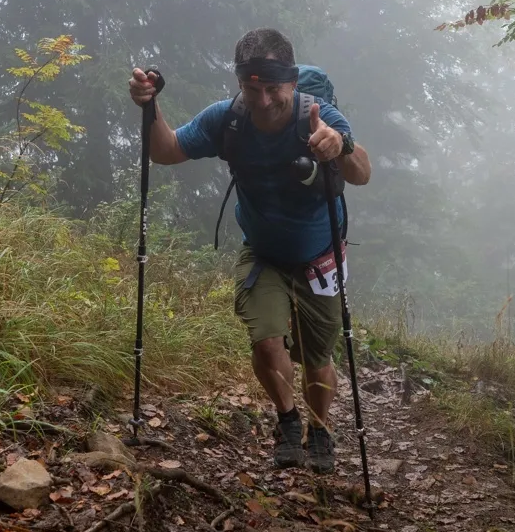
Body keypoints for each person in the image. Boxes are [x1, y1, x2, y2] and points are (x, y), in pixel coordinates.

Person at [129, 27, 371, 473]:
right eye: (250, 88)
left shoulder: (320, 117)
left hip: (319, 257)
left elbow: (361, 174)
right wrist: (150, 106)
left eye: (273, 89)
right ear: (241, 82)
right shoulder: (228, 118)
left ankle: (320, 428)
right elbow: (166, 151)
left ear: (292, 82)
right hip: (262, 254)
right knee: (264, 341)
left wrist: (342, 145)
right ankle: (289, 421)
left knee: (317, 360)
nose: (261, 100)